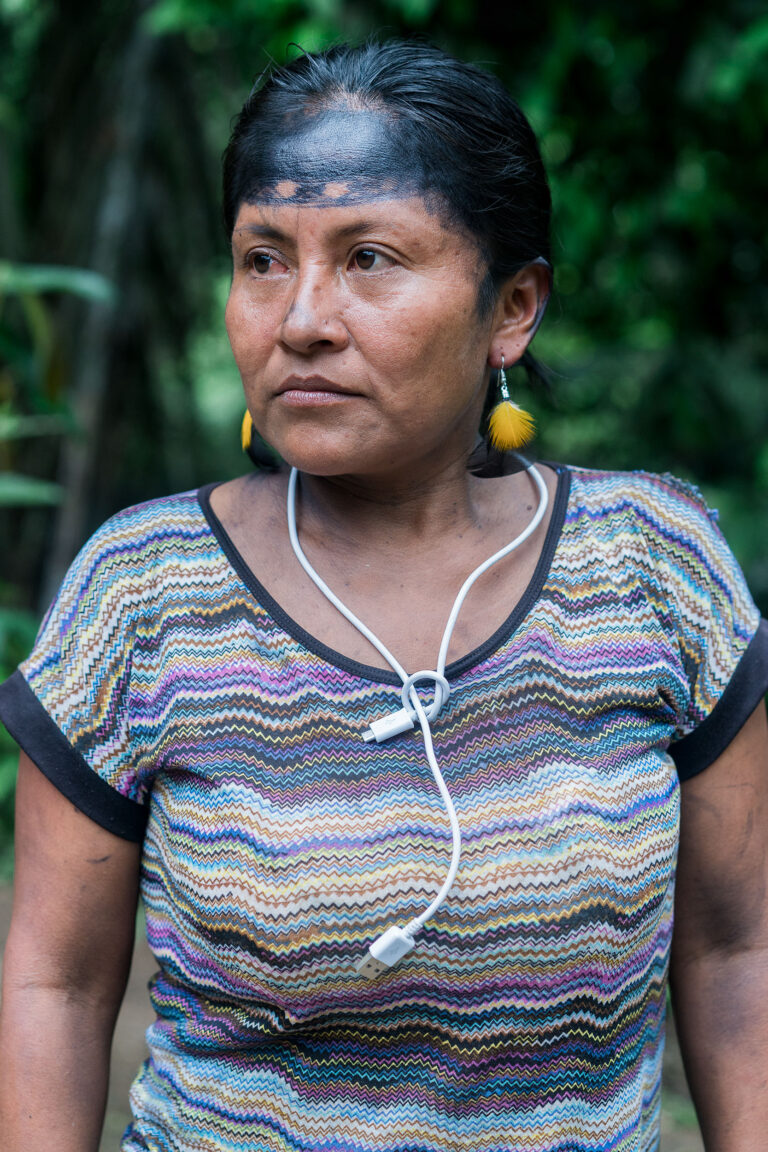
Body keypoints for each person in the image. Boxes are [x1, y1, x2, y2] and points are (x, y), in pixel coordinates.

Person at [1, 39, 767, 1152]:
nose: (302, 316)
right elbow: (54, 987)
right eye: (263, 259)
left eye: (368, 258)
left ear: (512, 307)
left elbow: (737, 947)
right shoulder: (144, 593)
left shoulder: (653, 567)